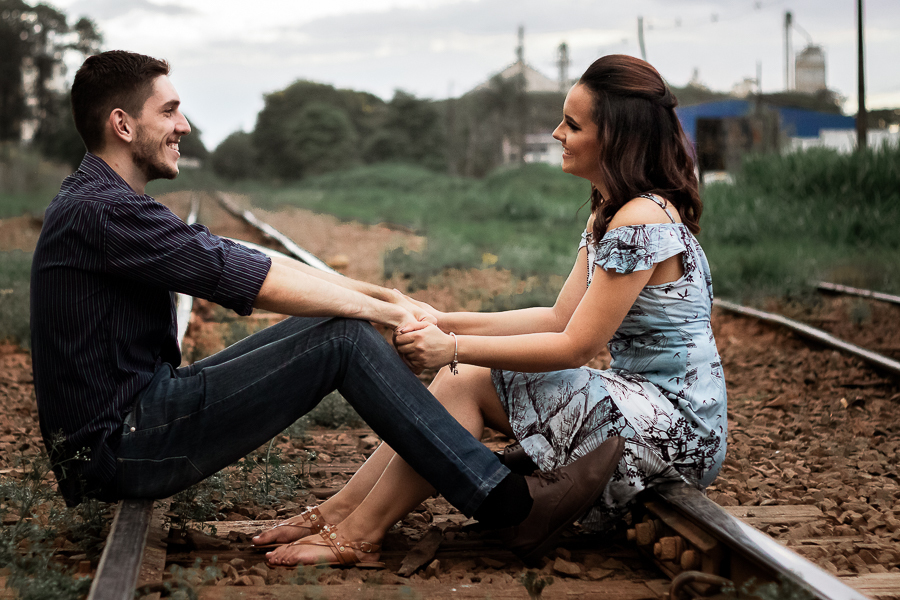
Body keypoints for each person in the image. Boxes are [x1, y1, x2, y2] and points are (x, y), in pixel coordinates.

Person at [30, 50, 625, 566]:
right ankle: (511, 506)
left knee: (337, 325)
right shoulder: (105, 212)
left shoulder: (104, 202)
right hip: (121, 445)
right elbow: (251, 279)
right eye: (168, 111)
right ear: (122, 124)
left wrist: (378, 297)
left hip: (134, 420)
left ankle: (475, 494)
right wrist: (385, 315)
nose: (183, 125)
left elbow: (244, 257)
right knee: (341, 338)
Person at [260, 54, 726, 568]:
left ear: (616, 137)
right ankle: (341, 511)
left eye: (572, 125)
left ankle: (359, 531)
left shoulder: (641, 218)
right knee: (464, 375)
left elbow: (576, 346)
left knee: (465, 377)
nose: (557, 133)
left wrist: (452, 348)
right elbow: (556, 318)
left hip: (676, 431)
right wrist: (442, 321)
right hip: (643, 409)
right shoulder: (613, 209)